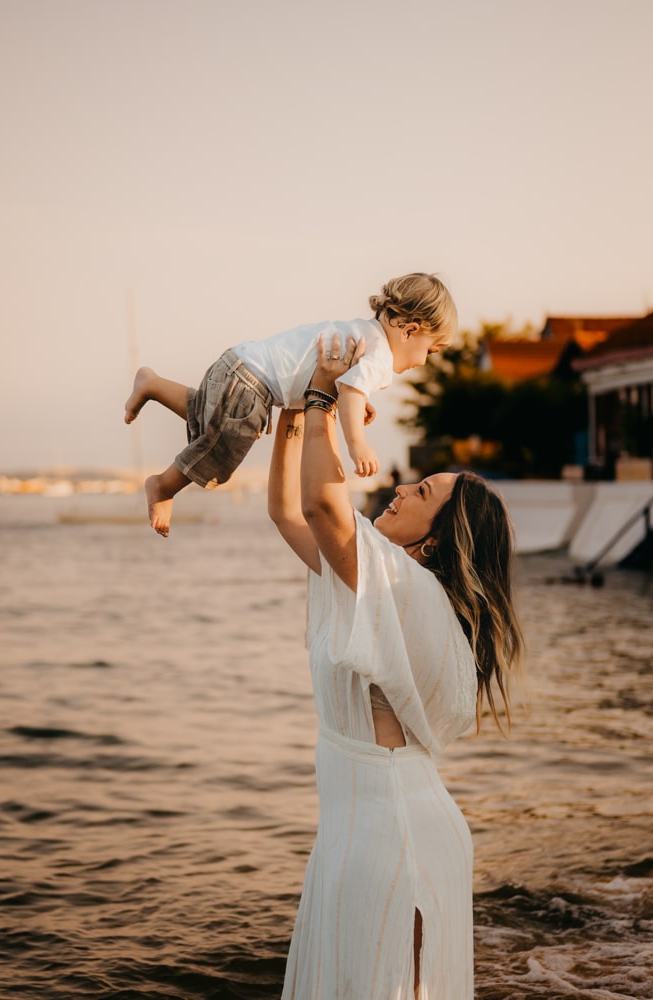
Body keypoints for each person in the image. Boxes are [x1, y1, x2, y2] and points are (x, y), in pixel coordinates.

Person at [267, 334, 524, 999]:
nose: (403, 489)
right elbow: (289, 512)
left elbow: (326, 506)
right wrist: (295, 413)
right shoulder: (373, 586)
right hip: (362, 829)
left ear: (435, 538)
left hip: (391, 834)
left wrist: (325, 397)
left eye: (424, 491)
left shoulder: (402, 592)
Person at [124, 272, 457, 536]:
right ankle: (164, 485)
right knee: (219, 457)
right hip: (254, 383)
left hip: (240, 365)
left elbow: (347, 388)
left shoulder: (363, 332)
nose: (425, 361)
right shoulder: (381, 355)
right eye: (431, 350)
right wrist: (358, 445)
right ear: (410, 331)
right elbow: (353, 391)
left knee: (208, 417)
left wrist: (353, 400)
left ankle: (152, 384)